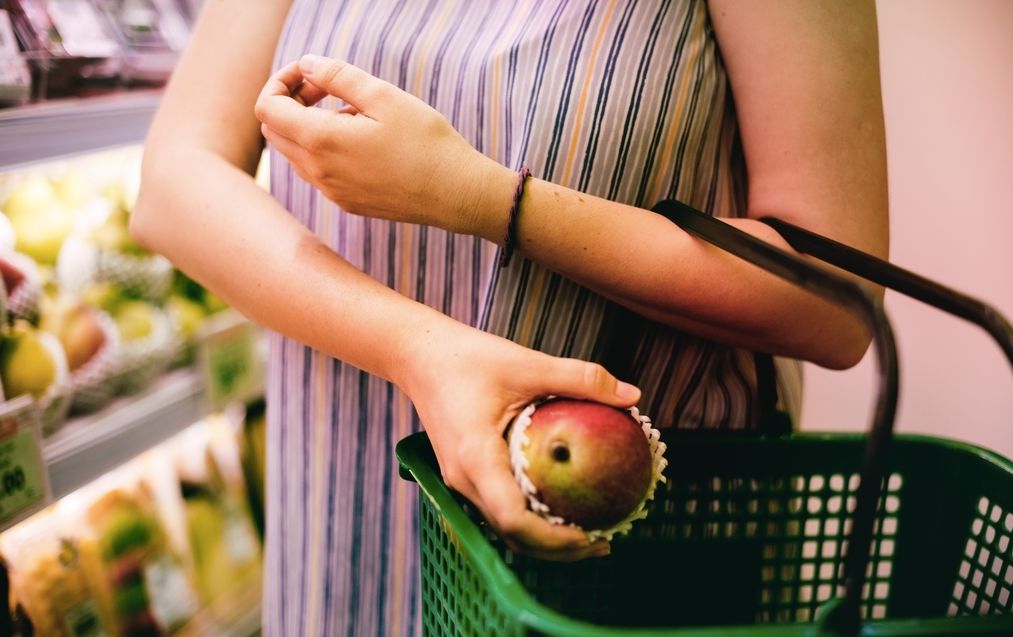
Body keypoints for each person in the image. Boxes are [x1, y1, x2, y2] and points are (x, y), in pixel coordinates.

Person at [131, 0, 888, 634]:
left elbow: (834, 301)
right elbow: (174, 179)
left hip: (629, 528)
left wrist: (479, 196)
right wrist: (419, 349)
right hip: (343, 501)